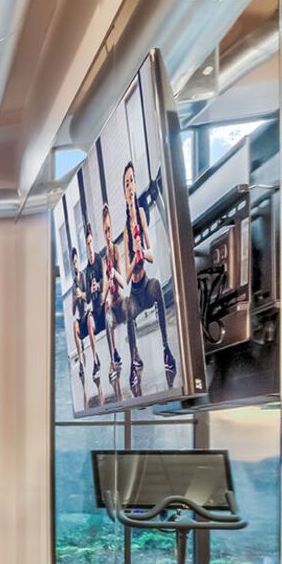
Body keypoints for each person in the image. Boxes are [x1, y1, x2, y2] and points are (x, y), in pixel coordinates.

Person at [120, 161, 176, 397]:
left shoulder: (142, 214)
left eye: (132, 180)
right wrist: (134, 258)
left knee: (157, 288)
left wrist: (142, 249)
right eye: (127, 183)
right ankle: (134, 359)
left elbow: (151, 254)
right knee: (126, 307)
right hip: (134, 293)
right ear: (124, 193)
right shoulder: (124, 230)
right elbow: (125, 274)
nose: (131, 186)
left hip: (147, 286)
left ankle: (165, 348)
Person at [67, 228, 104, 401]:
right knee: (74, 324)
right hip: (79, 317)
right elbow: (74, 310)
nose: (75, 266)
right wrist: (75, 299)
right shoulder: (74, 283)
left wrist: (82, 295)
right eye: (72, 264)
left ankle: (95, 359)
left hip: (88, 313)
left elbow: (88, 298)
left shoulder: (83, 276)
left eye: (76, 262)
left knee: (89, 319)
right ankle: (81, 362)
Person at [97, 204, 124, 398]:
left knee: (112, 308)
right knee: (106, 311)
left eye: (109, 230)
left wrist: (114, 273)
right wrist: (103, 291)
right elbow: (105, 290)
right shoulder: (104, 259)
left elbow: (122, 282)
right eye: (105, 231)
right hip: (111, 305)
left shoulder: (115, 251)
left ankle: (130, 354)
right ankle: (113, 357)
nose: (107, 234)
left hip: (121, 299)